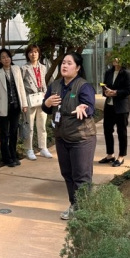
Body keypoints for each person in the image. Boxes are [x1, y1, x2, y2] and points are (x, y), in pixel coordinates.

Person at [42, 52, 97, 220]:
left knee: (81, 175)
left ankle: (83, 210)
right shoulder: (56, 85)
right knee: (67, 173)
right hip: (61, 136)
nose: (64, 66)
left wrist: (84, 109)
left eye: (69, 63)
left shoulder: (83, 86)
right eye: (63, 63)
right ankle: (74, 205)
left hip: (82, 138)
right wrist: (47, 103)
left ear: (78, 68)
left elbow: (90, 107)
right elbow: (46, 107)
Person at [0, 48, 28, 167]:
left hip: (16, 106)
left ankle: (13, 155)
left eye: (7, 56)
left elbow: (21, 87)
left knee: (13, 132)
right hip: (3, 107)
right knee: (4, 133)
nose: (6, 59)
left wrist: (24, 103)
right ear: (0, 60)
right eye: (3, 57)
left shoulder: (16, 69)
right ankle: (6, 158)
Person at [99, 57, 130, 167]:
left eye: (118, 57)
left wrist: (116, 93)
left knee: (121, 132)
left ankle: (121, 156)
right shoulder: (108, 72)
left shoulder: (127, 73)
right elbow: (104, 85)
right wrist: (106, 93)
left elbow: (128, 89)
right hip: (109, 105)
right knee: (107, 130)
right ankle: (110, 155)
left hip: (122, 107)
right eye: (113, 57)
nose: (115, 59)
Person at [21, 44, 52, 160]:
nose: (33, 54)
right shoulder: (24, 68)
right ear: (27, 54)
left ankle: (43, 148)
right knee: (29, 125)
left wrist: (47, 96)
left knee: (42, 124)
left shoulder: (43, 67)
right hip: (30, 99)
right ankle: (29, 149)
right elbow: (21, 86)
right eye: (30, 52)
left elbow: (43, 82)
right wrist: (23, 102)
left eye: (35, 52)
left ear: (39, 54)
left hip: (42, 98)